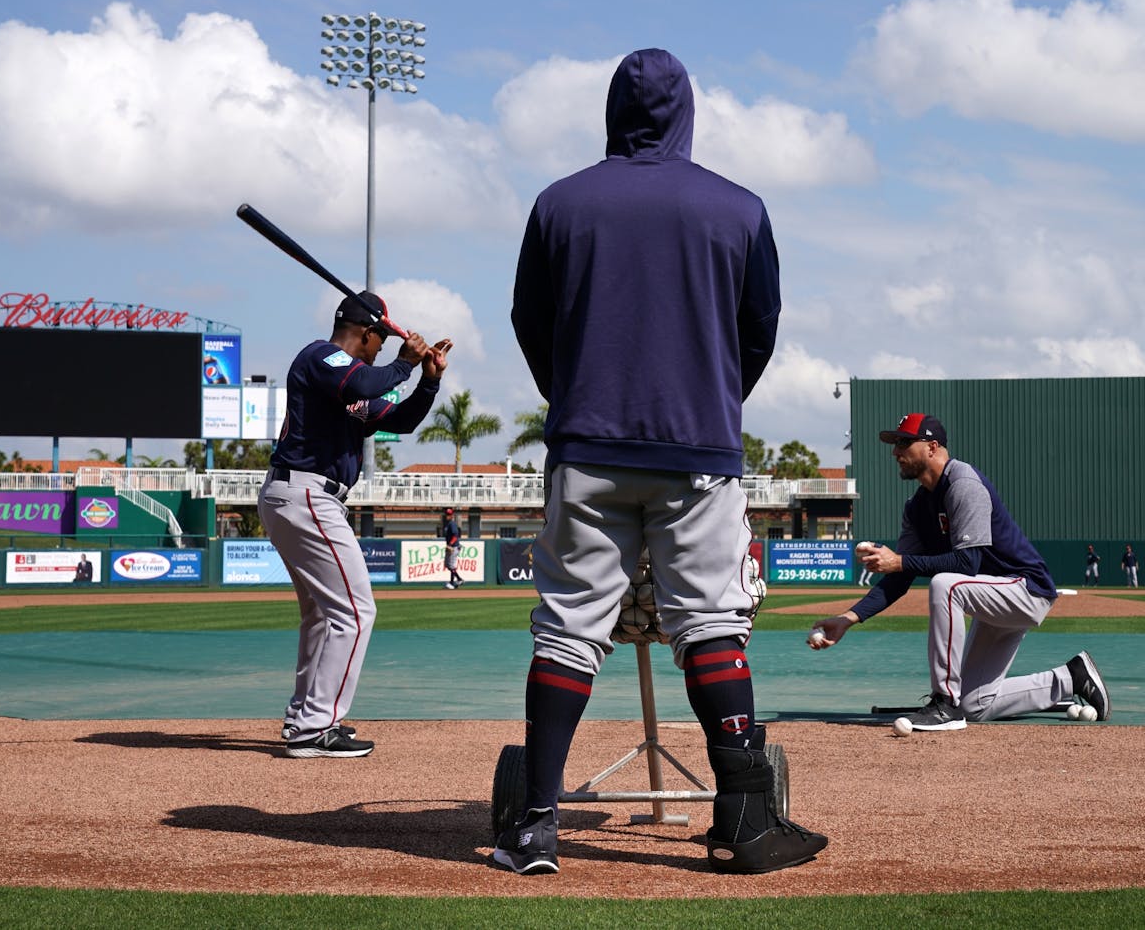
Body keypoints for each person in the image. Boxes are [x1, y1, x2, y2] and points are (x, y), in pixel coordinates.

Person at [502, 48, 826, 877]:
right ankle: (746, 823)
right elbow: (759, 332)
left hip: (587, 443)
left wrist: (576, 397)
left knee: (569, 625)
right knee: (710, 623)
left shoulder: (556, 202)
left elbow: (530, 323)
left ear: (612, 109)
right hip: (697, 446)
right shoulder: (740, 207)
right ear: (689, 111)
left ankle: (535, 825)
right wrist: (713, 401)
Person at [810, 413, 1111, 735]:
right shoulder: (916, 507)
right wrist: (848, 618)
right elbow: (900, 575)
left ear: (932, 446)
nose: (895, 452)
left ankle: (943, 702)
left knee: (946, 585)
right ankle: (1069, 678)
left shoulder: (963, 484)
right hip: (991, 596)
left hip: (1025, 589)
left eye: (904, 442)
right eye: (895, 443)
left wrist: (899, 562)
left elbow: (967, 564)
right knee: (976, 705)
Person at [259, 290, 451, 759]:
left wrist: (426, 382)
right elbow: (366, 384)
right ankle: (315, 727)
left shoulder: (343, 388)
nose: (380, 349)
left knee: (324, 615)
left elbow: (399, 420)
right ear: (365, 333)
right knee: (355, 611)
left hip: (302, 495)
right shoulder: (321, 356)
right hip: (306, 493)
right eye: (379, 342)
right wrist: (404, 364)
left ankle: (305, 718)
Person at [442, 507, 463, 589]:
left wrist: (450, 544)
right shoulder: (447, 524)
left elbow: (455, 535)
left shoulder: (452, 524)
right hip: (451, 547)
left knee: (451, 565)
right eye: (447, 514)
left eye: (449, 514)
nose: (447, 516)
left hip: (454, 547)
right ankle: (455, 581)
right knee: (448, 564)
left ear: (452, 515)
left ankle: (455, 581)